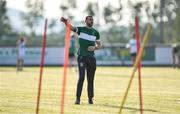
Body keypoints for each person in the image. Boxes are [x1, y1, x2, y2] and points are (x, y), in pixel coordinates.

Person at [60, 16, 102, 104]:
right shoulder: (81, 30)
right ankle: (78, 98)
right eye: (89, 19)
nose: (91, 21)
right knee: (81, 77)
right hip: (82, 57)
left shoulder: (96, 32)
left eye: (92, 20)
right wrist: (65, 22)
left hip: (91, 58)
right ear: (85, 20)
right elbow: (71, 27)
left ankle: (90, 99)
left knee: (90, 79)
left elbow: (99, 45)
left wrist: (94, 48)